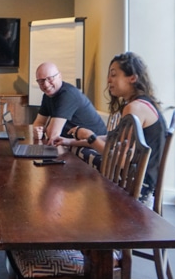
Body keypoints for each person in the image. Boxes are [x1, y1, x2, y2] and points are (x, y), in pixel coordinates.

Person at [53, 52, 166, 203]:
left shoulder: (135, 108)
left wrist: (91, 137)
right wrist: (70, 141)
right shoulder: (142, 103)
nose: (108, 80)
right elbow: (112, 139)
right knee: (78, 155)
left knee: (78, 174)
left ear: (132, 77)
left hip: (138, 187)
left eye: (114, 75)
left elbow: (121, 161)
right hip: (140, 180)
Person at [31, 61, 108, 144]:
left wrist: (44, 129)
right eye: (41, 81)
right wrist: (37, 130)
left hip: (95, 145)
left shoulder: (68, 95)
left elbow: (52, 135)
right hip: (73, 142)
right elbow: (39, 122)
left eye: (50, 78)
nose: (46, 84)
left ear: (60, 76)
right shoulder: (47, 96)